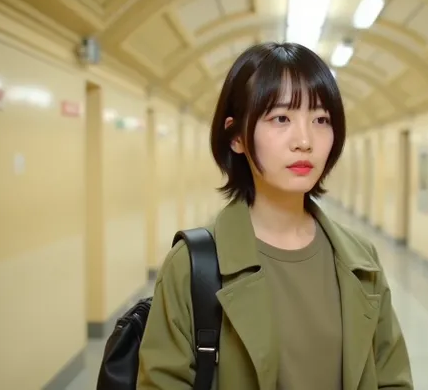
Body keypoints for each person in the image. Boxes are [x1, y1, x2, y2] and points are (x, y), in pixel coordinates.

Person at [136, 42, 413, 390]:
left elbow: (392, 378)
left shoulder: (361, 262)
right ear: (236, 136)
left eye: (321, 119)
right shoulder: (193, 265)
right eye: (281, 118)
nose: (304, 140)